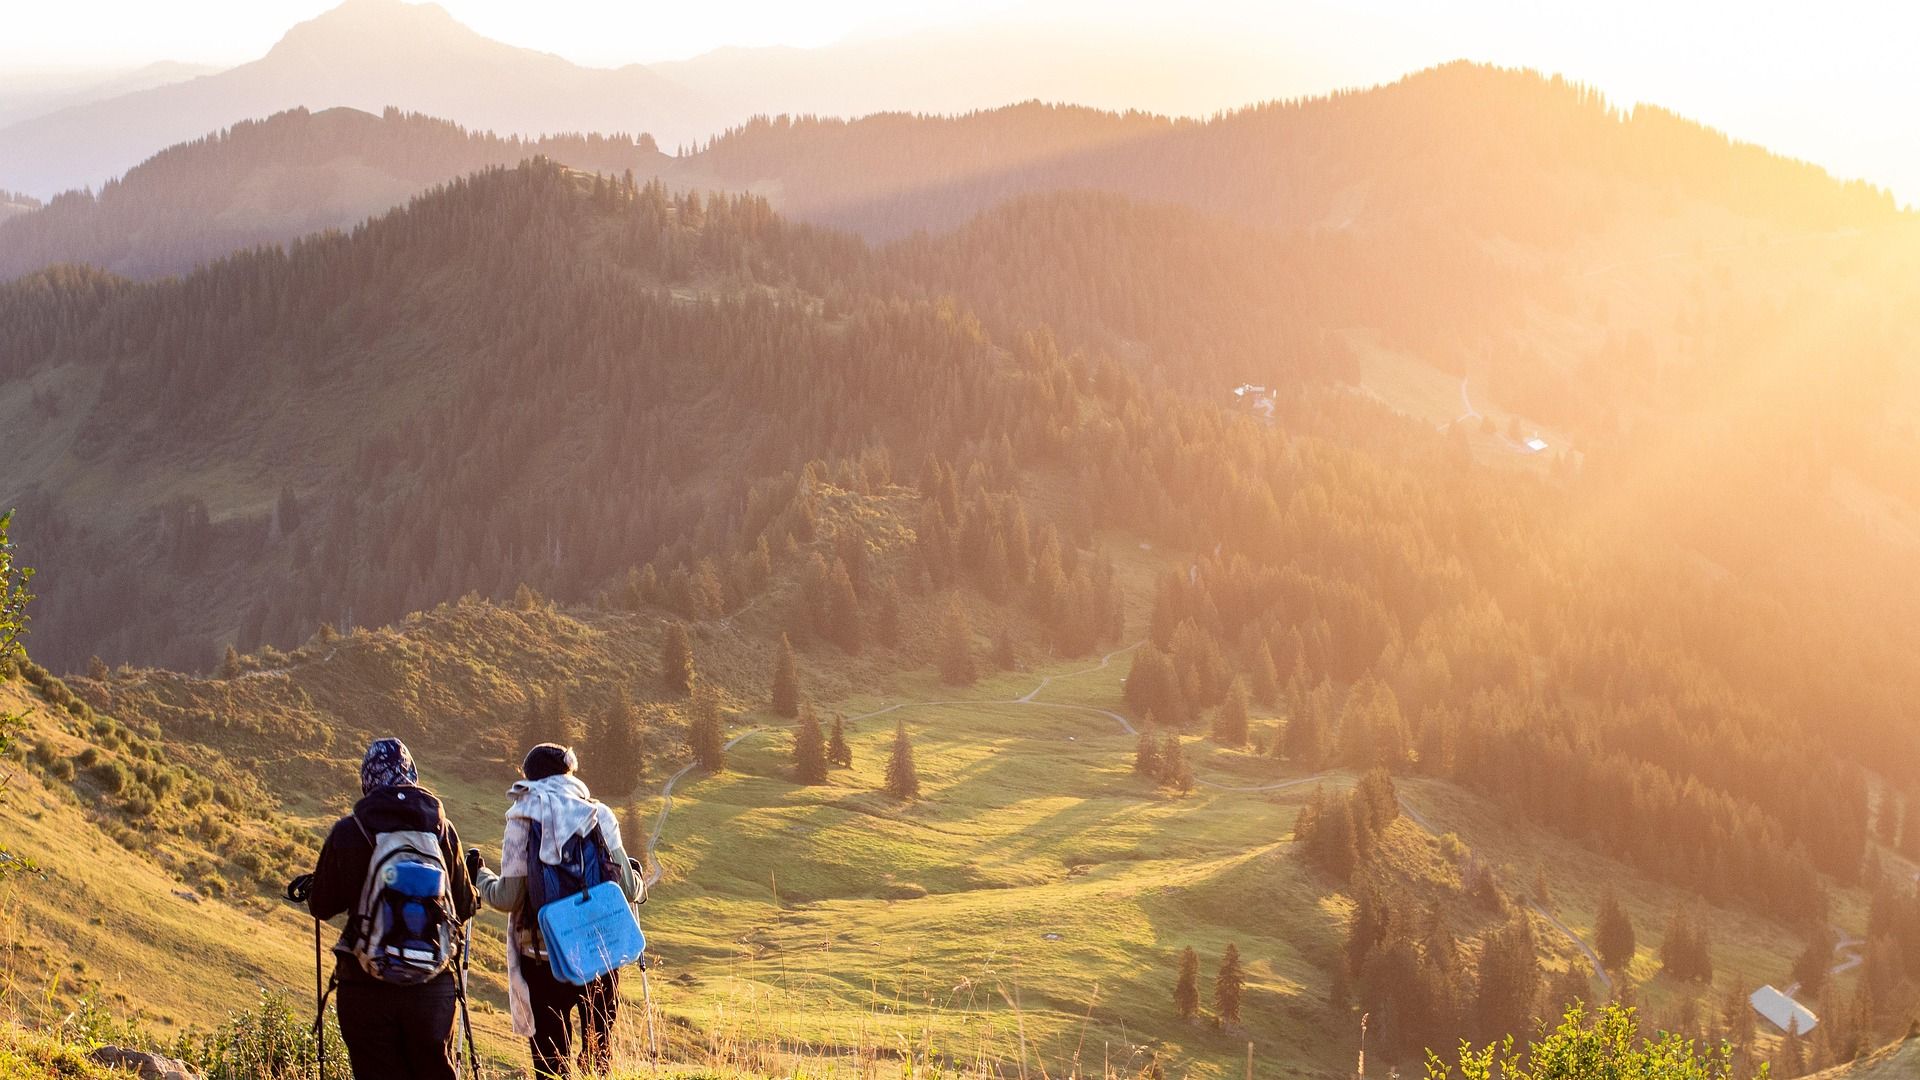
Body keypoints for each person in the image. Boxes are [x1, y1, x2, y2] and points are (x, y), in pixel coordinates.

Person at [470, 742, 646, 1078]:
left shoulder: (522, 818)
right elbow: (625, 888)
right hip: (599, 954)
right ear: (570, 772)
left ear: (530, 778)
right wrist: (637, 880)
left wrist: (480, 876)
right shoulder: (599, 813)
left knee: (551, 1065)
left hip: (542, 957)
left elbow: (507, 897)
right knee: (599, 1060)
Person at [307, 738, 477, 1080]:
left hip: (364, 984)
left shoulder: (349, 830)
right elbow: (465, 905)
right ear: (411, 773)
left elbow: (321, 905)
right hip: (432, 986)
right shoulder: (441, 830)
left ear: (367, 779)